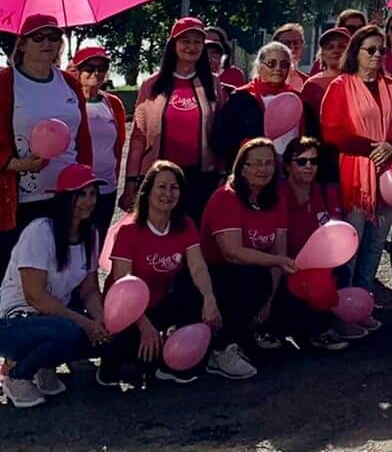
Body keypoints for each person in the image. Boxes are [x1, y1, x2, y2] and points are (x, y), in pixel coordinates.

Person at [99, 159, 221, 387]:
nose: (168, 193)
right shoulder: (129, 230)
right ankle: (120, 363)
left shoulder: (185, 225)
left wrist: (209, 298)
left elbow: (197, 266)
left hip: (158, 305)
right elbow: (121, 281)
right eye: (161, 187)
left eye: (174, 187)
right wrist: (144, 326)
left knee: (195, 297)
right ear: (147, 191)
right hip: (125, 315)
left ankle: (170, 365)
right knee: (123, 358)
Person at [0, 162, 107, 409]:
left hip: (51, 319)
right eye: (80, 194)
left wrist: (100, 321)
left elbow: (90, 289)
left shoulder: (90, 234)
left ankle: (42, 366)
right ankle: (17, 376)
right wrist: (86, 323)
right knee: (70, 332)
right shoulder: (41, 231)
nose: (88, 201)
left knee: (97, 334)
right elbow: (35, 296)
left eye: (92, 194)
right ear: (64, 197)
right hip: (14, 321)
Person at [319, 25, 392, 306]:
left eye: (382, 50)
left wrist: (390, 145)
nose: (377, 55)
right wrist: (373, 148)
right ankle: (343, 304)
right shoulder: (340, 86)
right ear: (356, 53)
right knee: (352, 241)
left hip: (390, 170)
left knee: (376, 243)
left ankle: (364, 300)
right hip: (356, 175)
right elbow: (332, 131)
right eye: (370, 50)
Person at [1, 14, 95, 276]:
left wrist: (86, 184)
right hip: (22, 200)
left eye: (54, 37)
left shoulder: (70, 83)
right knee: (17, 272)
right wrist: (17, 164)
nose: (47, 43)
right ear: (22, 44)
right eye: (38, 37)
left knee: (61, 269)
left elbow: (83, 138)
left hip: (66, 196)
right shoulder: (6, 83)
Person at [200, 139, 302, 376]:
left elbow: (279, 251)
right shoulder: (226, 197)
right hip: (216, 277)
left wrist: (268, 302)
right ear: (242, 167)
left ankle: (254, 334)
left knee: (294, 292)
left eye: (268, 163)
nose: (263, 169)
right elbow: (232, 253)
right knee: (252, 279)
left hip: (256, 273)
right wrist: (277, 264)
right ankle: (221, 349)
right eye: (255, 163)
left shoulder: (275, 199)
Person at [124, 17, 221, 227]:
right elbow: (139, 137)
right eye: (185, 41)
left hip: (201, 177)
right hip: (159, 176)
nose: (191, 47)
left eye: (197, 42)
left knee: (195, 233)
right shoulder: (151, 84)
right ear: (173, 45)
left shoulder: (213, 83)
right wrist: (131, 180)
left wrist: (222, 172)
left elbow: (219, 131)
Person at [277, 137, 352, 347]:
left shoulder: (327, 193)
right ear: (288, 166)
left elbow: (337, 234)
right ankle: (300, 330)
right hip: (287, 262)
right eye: (301, 161)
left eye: (314, 161)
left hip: (321, 263)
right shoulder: (278, 195)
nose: (309, 166)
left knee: (340, 272)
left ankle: (321, 329)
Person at [211, 41, 298, 174]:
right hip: (251, 172)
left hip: (290, 173)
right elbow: (222, 139)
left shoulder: (298, 99)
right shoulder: (240, 97)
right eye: (271, 63)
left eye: (284, 64)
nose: (278, 69)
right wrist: (248, 146)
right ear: (259, 65)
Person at [70, 45, 126, 242]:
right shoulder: (69, 102)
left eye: (101, 68)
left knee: (99, 241)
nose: (96, 73)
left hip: (106, 187)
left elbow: (119, 144)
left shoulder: (113, 104)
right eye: (89, 68)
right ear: (77, 71)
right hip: (78, 190)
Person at [273, 24, 308, 90]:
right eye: (286, 42)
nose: (292, 47)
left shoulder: (308, 83)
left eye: (296, 42)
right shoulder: (264, 77)